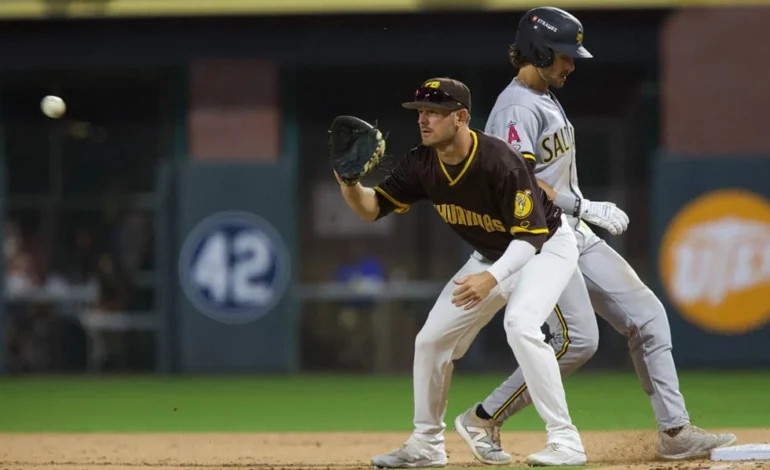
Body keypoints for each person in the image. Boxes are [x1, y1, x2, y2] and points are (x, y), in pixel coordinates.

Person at [453, 6, 737, 465]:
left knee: (647, 316)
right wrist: (582, 206)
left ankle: (675, 432)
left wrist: (577, 214)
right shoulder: (516, 107)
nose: (571, 64)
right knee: (579, 340)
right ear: (539, 51)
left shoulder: (542, 95)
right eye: (564, 55)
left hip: (571, 230)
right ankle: (483, 418)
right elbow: (521, 184)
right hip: (540, 236)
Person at [336, 77, 590, 467]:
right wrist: (349, 183)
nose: (423, 120)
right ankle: (427, 444)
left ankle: (565, 440)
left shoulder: (500, 161)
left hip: (545, 248)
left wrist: (491, 279)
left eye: (434, 112)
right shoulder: (421, 163)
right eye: (420, 111)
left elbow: (529, 238)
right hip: (490, 256)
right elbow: (371, 208)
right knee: (430, 341)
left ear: (461, 117)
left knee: (521, 325)